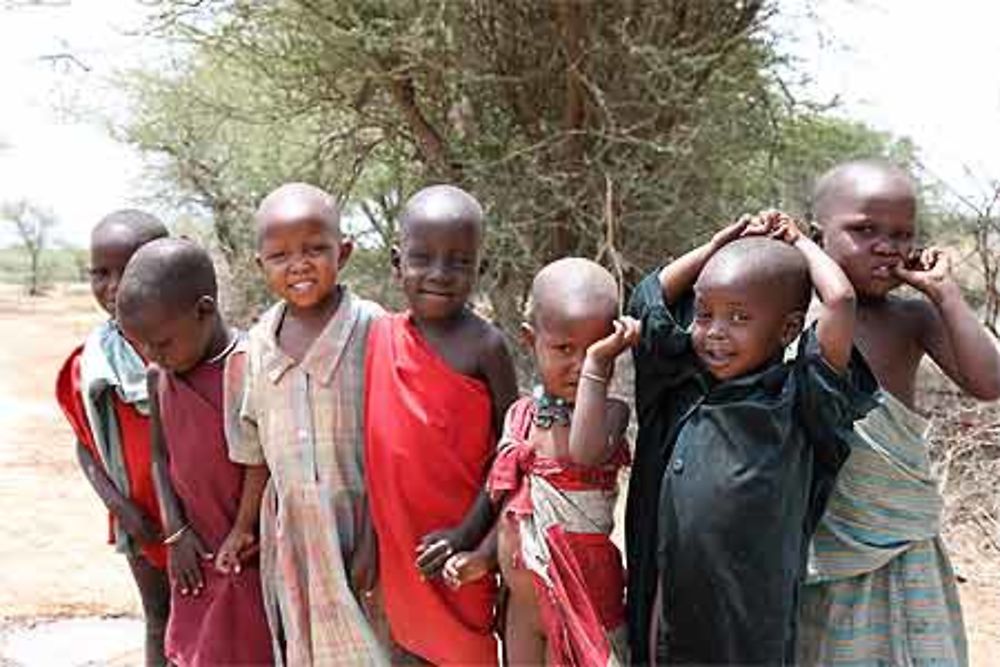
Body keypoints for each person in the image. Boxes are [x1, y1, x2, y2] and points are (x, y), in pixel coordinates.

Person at [626, 213, 877, 665]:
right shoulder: (677, 391)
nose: (716, 332)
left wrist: (799, 240)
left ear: (787, 329)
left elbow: (839, 302)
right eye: (704, 315)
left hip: (749, 630)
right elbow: (648, 302)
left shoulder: (801, 406)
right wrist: (716, 244)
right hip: (666, 615)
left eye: (739, 317)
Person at [796, 160, 1000, 665]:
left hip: (901, 540)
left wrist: (946, 294)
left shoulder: (913, 318)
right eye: (864, 230)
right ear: (818, 233)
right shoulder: (788, 313)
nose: (887, 247)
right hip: (818, 543)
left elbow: (990, 382)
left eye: (902, 234)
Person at [228, 182, 387, 665]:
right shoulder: (254, 348)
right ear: (260, 265)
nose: (298, 264)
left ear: (345, 252)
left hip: (361, 525)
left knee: (375, 645)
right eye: (280, 255)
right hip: (293, 536)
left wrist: (378, 536)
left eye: (315, 249)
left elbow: (395, 445)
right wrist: (242, 527)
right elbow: (255, 453)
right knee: (304, 647)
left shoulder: (375, 330)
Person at [364, 185, 518, 665]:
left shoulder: (486, 347)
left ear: (481, 269)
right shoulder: (379, 337)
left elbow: (511, 455)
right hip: (399, 547)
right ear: (396, 262)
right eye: (422, 257)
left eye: (458, 261)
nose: (439, 274)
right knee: (405, 651)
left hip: (461, 549)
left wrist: (467, 533)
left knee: (467, 651)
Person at [116, 238, 273, 666]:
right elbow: (159, 459)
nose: (152, 355)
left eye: (162, 343)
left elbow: (267, 463)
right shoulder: (158, 376)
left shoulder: (252, 366)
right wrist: (175, 533)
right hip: (193, 552)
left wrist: (245, 529)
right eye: (141, 345)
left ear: (205, 310)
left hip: (250, 555)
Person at [482, 258, 637, 666]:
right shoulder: (521, 415)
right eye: (564, 348)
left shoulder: (612, 415)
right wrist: (480, 556)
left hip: (582, 596)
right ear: (530, 340)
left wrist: (601, 369)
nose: (581, 364)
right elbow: (507, 505)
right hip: (523, 603)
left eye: (596, 351)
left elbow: (585, 451)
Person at [54, 210, 171, 666]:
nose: (114, 286)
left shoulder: (195, 348)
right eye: (101, 273)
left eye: (130, 271)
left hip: (206, 516)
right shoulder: (89, 366)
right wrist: (122, 509)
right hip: (139, 515)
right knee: (159, 616)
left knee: (216, 616)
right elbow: (85, 446)